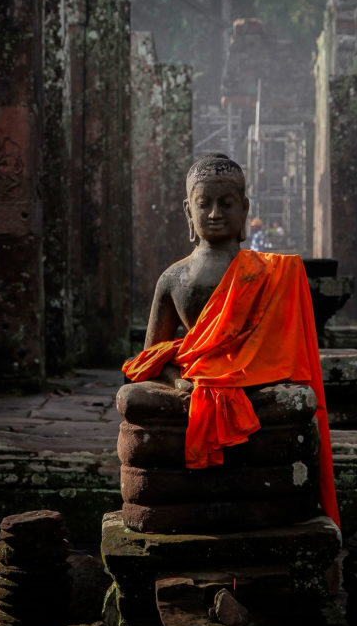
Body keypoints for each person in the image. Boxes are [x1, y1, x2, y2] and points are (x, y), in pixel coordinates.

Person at [122, 152, 339, 524]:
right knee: (132, 399)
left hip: (255, 383)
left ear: (244, 209)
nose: (214, 213)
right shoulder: (174, 277)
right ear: (188, 211)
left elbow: (281, 353)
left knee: (296, 402)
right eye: (203, 204)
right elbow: (150, 357)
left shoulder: (271, 272)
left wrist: (245, 377)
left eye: (226, 203)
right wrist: (180, 382)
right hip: (195, 383)